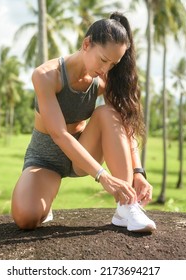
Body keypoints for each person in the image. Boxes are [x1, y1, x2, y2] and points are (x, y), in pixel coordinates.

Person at [11, 11, 156, 233]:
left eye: (113, 64)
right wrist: (103, 176)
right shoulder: (47, 75)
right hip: (46, 158)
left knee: (108, 113)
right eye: (103, 60)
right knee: (26, 219)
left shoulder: (102, 79)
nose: (106, 69)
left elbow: (123, 124)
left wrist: (138, 171)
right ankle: (44, 200)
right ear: (86, 43)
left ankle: (126, 208)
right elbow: (59, 134)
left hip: (83, 151)